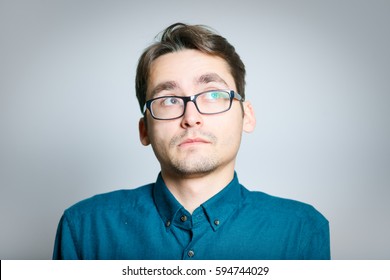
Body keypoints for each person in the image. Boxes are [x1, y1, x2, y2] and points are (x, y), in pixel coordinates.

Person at [53, 22, 330, 260]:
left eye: (212, 95)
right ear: (144, 130)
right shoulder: (84, 228)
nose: (191, 117)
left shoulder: (302, 230)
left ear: (246, 116)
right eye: (169, 100)